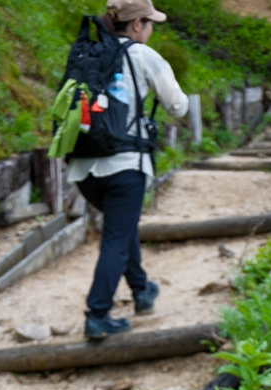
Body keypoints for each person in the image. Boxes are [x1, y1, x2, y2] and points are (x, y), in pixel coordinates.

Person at [67, 0, 189, 340]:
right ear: (137, 25)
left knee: (122, 227)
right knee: (117, 236)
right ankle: (98, 314)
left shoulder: (90, 53)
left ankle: (141, 289)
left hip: (83, 168)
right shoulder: (143, 55)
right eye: (150, 24)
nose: (151, 30)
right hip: (124, 164)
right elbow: (178, 104)